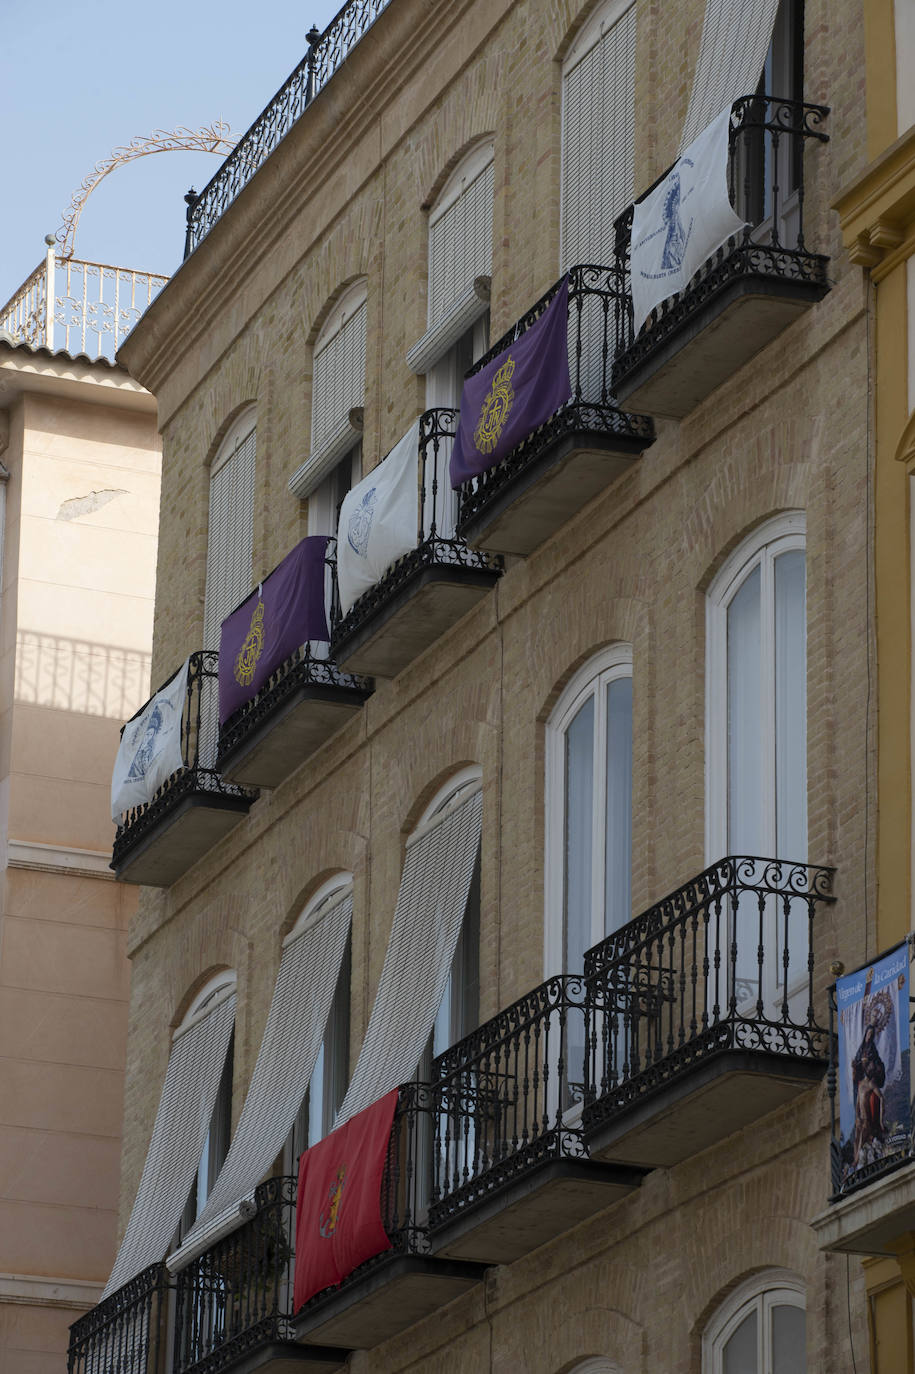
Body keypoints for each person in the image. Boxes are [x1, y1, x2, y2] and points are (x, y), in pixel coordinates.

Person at [852, 1023, 886, 1165]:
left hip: (869, 1085)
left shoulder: (873, 1050)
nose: (869, 1036)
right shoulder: (861, 1050)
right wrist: (859, 1063)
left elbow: (877, 1064)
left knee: (862, 1133)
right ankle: (856, 1157)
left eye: (872, 1035)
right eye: (868, 1034)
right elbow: (857, 1065)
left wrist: (880, 1121)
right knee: (857, 1132)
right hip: (862, 1084)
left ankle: (857, 1160)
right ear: (865, 1034)